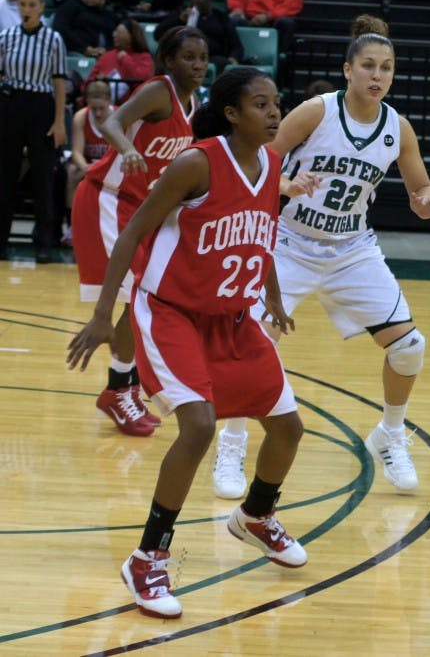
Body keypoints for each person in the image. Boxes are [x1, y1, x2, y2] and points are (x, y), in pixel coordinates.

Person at [67, 66, 308, 621]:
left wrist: (269, 293)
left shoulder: (272, 164)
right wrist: (105, 315)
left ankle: (254, 515)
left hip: (235, 315)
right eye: (261, 105)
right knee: (198, 424)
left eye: (277, 103)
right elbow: (132, 232)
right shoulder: (196, 162)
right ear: (231, 113)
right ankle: (148, 555)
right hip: (171, 311)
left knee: (288, 427)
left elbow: (260, 231)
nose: (274, 113)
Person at [212, 15, 430, 498]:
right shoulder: (317, 112)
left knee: (410, 346)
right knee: (250, 341)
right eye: (368, 66)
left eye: (386, 68)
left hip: (351, 250)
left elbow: (420, 183)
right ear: (347, 69)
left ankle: (391, 433)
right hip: (289, 244)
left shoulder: (397, 128)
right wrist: (283, 184)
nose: (377, 75)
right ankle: (230, 444)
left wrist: (424, 200)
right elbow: (257, 160)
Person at [71, 26, 208, 436]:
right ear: (169, 60)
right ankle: (119, 389)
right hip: (107, 198)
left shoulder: (192, 101)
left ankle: (123, 386)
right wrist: (127, 148)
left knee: (146, 296)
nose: (197, 65)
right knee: (137, 294)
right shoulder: (158, 91)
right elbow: (113, 122)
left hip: (141, 207)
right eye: (189, 57)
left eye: (202, 58)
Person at [0, 0, 67, 263]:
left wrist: (59, 121)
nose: (26, 9)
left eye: (32, 5)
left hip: (42, 108)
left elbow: (59, 82)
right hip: (10, 105)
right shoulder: (6, 37)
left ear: (41, 8)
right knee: (5, 177)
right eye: (23, 5)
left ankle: (44, 242)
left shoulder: (53, 39)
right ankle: (0, 241)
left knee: (42, 177)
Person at [65, 78, 115, 244]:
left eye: (101, 108)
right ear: (87, 102)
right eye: (94, 109)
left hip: (111, 165)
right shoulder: (81, 117)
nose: (98, 113)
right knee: (72, 172)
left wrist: (102, 166)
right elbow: (77, 152)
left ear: (109, 101)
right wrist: (86, 167)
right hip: (89, 165)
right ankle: (72, 228)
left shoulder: (120, 116)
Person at [155, 0, 243, 75]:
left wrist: (233, 58)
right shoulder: (181, 14)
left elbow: (236, 45)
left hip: (213, 57)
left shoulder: (221, 18)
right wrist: (179, 20)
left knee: (221, 62)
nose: (198, 0)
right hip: (184, 55)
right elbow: (158, 34)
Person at [84, 18, 154, 103]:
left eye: (119, 33)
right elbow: (88, 82)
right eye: (115, 32)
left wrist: (126, 60)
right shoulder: (107, 56)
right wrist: (99, 81)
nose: (115, 35)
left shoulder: (145, 57)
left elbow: (142, 79)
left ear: (131, 36)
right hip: (104, 107)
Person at [226, 0, 302, 54]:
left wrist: (269, 16)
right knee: (233, 20)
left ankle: (279, 59)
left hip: (275, 20)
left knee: (287, 23)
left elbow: (293, 4)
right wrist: (238, 8)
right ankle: (233, 59)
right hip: (249, 18)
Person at [51, 0, 117, 58]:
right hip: (73, 51)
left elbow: (114, 38)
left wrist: (105, 49)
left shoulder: (109, 15)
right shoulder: (70, 6)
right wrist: (84, 48)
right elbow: (61, 28)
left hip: (102, 53)